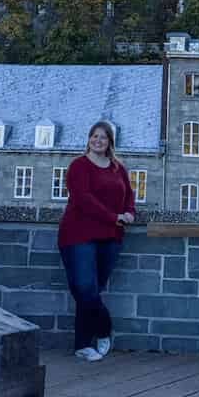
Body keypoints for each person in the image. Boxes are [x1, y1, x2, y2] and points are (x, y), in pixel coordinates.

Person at [57, 121, 135, 362]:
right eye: (94, 136)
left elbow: (128, 195)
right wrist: (114, 217)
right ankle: (103, 329)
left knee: (91, 291)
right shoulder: (78, 166)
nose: (98, 140)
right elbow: (83, 199)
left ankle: (82, 345)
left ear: (110, 141)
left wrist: (130, 212)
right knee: (85, 289)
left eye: (103, 137)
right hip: (78, 234)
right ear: (88, 139)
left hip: (110, 237)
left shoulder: (117, 168)